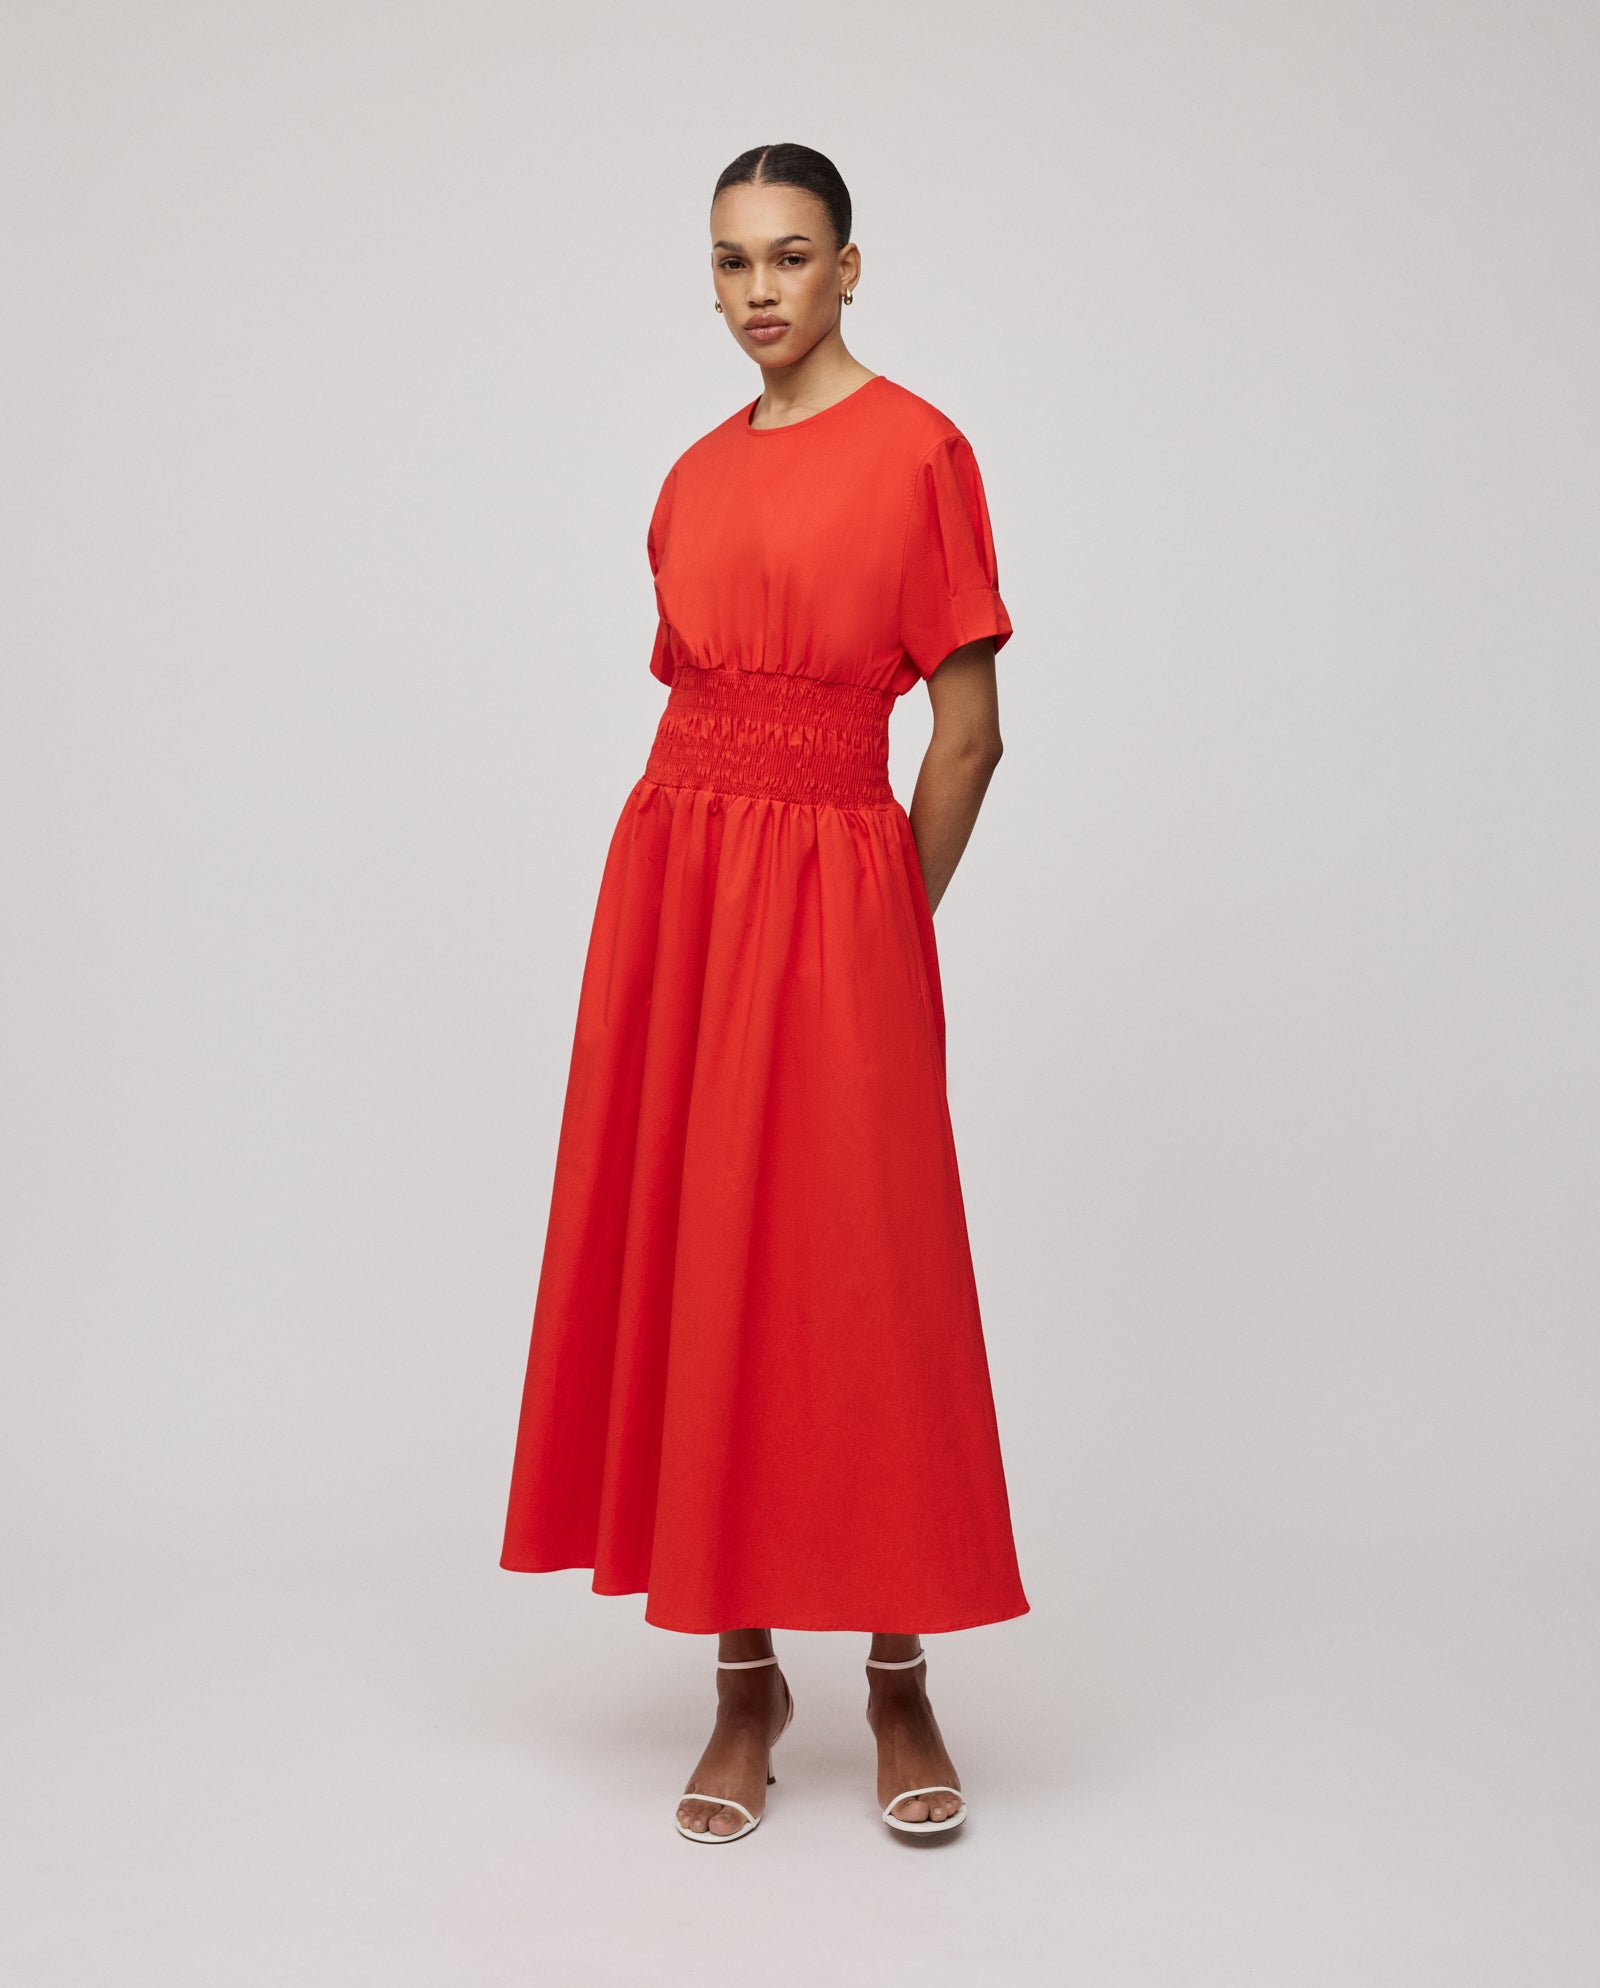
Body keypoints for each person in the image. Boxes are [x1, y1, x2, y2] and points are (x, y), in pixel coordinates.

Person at [500, 141, 1029, 1843]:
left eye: (790, 259)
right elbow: (692, 704)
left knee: (863, 1268)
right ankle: (741, 1680)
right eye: (730, 264)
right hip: (678, 890)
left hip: (835, 890)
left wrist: (884, 920)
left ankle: (896, 1671)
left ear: (852, 269)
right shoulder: (687, 475)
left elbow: (968, 735)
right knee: (701, 1244)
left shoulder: (923, 453)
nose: (758, 295)